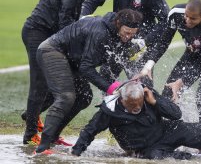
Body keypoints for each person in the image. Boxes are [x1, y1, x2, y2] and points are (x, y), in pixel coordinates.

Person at [34, 9, 143, 154]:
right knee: (66, 97)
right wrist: (111, 88)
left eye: (133, 34)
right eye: (127, 32)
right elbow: (86, 68)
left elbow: (119, 61)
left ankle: (52, 136)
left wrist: (135, 75)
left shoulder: (116, 32)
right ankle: (42, 147)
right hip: (52, 51)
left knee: (84, 96)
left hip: (71, 60)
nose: (129, 37)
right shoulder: (101, 33)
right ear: (118, 23)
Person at [71, 81, 201, 161]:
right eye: (132, 106)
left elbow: (176, 114)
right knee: (165, 159)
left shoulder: (148, 95)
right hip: (144, 148)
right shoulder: (109, 110)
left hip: (165, 130)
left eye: (140, 104)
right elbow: (90, 130)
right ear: (122, 100)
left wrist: (155, 102)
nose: (137, 109)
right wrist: (76, 153)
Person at [21, 0, 95, 145]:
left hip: (50, 34)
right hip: (38, 33)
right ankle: (30, 134)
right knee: (39, 84)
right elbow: (65, 22)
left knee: (78, 91)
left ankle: (36, 118)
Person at [80, 0, 170, 86]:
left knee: (142, 84)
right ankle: (109, 101)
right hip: (117, 39)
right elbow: (92, 0)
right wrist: (82, 18)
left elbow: (165, 20)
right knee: (106, 76)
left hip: (140, 44)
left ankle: (146, 99)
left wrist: (145, 41)